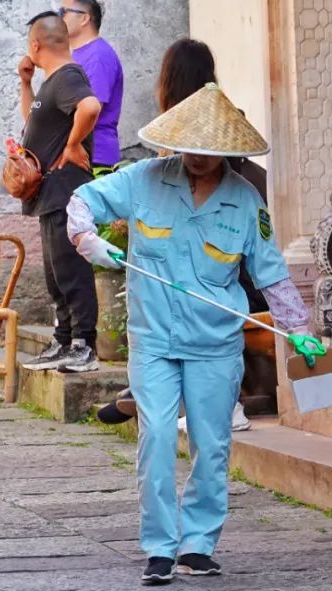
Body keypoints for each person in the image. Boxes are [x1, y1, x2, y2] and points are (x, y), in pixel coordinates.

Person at [68, 83, 319, 585]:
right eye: (190, 147)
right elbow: (82, 200)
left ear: (227, 151)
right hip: (154, 339)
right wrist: (88, 239)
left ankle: (198, 544)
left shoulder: (246, 202)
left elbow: (268, 271)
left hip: (216, 342)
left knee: (213, 443)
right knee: (157, 436)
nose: (198, 158)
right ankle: (159, 547)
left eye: (210, 151)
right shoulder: (142, 180)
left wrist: (299, 329)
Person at [95, 38, 267, 432]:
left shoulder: (181, 143)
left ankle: (171, 399)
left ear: (167, 80)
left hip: (218, 276)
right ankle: (144, 395)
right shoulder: (228, 124)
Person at [17, 12, 103, 373]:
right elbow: (33, 124)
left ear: (35, 45)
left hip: (66, 190)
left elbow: (91, 106)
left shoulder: (68, 76)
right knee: (56, 273)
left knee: (71, 269)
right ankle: (64, 339)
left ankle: (85, 344)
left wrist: (72, 145)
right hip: (48, 195)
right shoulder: (51, 82)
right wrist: (25, 83)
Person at [60, 0, 124, 170]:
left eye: (63, 12)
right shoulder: (80, 55)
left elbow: (91, 110)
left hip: (92, 155)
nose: (59, 18)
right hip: (78, 151)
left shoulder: (98, 56)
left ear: (84, 19)